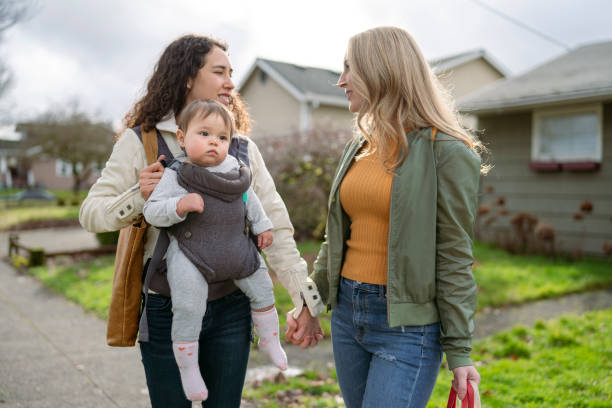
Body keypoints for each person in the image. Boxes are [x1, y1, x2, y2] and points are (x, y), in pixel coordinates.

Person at [79, 34, 324, 408]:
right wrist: (138, 196)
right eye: (220, 72)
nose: (230, 82)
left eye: (231, 73)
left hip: (232, 307)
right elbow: (90, 214)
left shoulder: (241, 147)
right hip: (166, 309)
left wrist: (305, 301)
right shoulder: (141, 141)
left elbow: (276, 225)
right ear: (188, 77)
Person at [310, 26, 483, 407]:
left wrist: (459, 351)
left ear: (380, 70)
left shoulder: (448, 153)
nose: (341, 81)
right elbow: (335, 239)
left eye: (348, 68)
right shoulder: (359, 146)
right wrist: (311, 302)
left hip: (406, 328)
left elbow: (454, 257)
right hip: (347, 314)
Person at [142, 99, 287, 401]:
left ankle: (270, 339)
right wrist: (179, 205)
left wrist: (263, 227)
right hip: (192, 255)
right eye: (204, 134)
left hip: (235, 250)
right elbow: (152, 211)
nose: (214, 143)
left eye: (222, 138)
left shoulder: (235, 169)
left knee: (262, 287)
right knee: (188, 304)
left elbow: (251, 200)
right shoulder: (177, 173)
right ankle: (188, 366)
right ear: (182, 138)